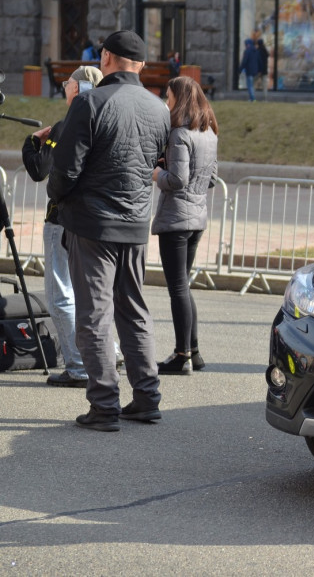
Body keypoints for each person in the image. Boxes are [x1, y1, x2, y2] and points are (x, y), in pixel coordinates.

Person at [48, 30, 171, 432]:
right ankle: (147, 398)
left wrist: (59, 197)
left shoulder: (89, 101)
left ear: (106, 58)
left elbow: (65, 170)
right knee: (134, 311)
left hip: (93, 222)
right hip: (136, 223)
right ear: (141, 64)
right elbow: (154, 161)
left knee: (95, 314)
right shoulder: (158, 108)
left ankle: (104, 405)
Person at [21, 66, 103, 388]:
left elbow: (40, 171)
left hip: (61, 219)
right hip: (92, 220)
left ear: (78, 88)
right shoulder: (102, 121)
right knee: (93, 294)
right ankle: (107, 352)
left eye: (68, 82)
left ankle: (78, 366)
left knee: (60, 296)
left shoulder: (67, 124)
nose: (64, 86)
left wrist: (32, 143)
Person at [151, 76, 219, 375]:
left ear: (179, 98)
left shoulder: (179, 134)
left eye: (169, 97)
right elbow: (212, 180)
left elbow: (177, 181)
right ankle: (194, 351)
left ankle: (181, 356)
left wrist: (156, 173)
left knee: (177, 287)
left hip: (176, 218)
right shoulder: (208, 133)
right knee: (183, 285)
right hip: (197, 218)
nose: (167, 102)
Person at [239, 38, 260, 102]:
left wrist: (240, 69)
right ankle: (252, 97)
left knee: (250, 85)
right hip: (255, 71)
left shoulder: (247, 51)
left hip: (249, 70)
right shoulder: (256, 51)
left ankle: (252, 98)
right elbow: (258, 61)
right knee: (252, 85)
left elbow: (244, 61)